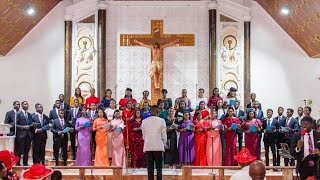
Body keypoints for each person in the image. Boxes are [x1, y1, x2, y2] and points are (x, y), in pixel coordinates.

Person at [141, 105, 167, 180]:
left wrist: (147, 141)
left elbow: (144, 136)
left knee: (150, 168)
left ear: (150, 111)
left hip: (148, 146)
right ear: (157, 111)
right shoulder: (161, 121)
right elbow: (164, 135)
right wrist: (164, 144)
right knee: (159, 168)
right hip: (158, 146)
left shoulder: (144, 121)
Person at [15, 101, 34, 166]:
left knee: (27, 149)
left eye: (27, 104)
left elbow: (30, 124)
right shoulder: (19, 113)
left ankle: (25, 163)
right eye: (25, 104)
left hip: (28, 135)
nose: (27, 105)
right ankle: (17, 163)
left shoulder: (29, 114)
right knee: (19, 150)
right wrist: (23, 127)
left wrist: (32, 125)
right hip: (21, 135)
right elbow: (15, 124)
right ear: (22, 105)